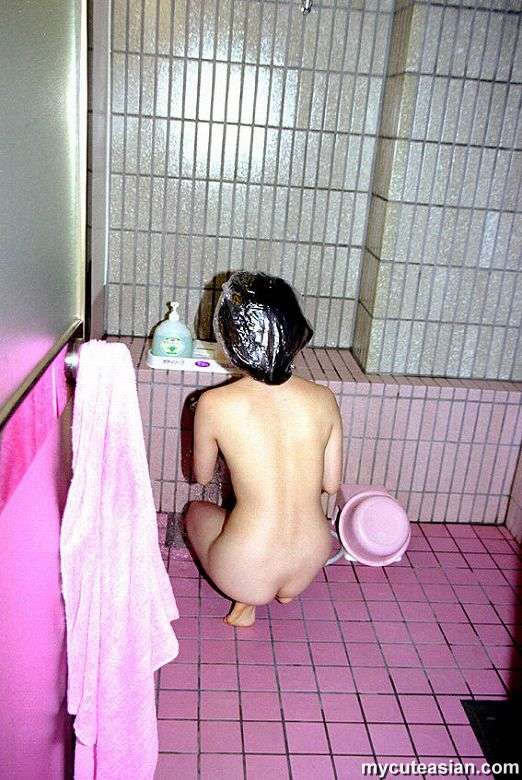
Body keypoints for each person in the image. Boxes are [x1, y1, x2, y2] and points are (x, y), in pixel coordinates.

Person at [184, 271, 343, 626]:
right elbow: (331, 484)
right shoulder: (324, 398)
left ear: (231, 337)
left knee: (195, 512)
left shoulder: (214, 403)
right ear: (295, 331)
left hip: (245, 568)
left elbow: (202, 476)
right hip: (311, 557)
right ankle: (286, 590)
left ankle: (246, 602)